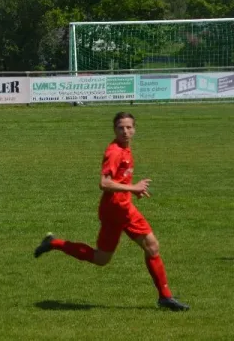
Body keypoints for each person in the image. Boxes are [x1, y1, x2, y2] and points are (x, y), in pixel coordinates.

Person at [34, 112, 189, 312]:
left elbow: (119, 180)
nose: (125, 131)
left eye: (128, 127)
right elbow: (104, 183)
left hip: (123, 207)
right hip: (115, 210)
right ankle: (54, 243)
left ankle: (165, 297)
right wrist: (133, 188)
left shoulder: (126, 148)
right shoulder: (114, 152)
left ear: (134, 129)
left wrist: (132, 190)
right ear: (114, 130)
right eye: (120, 128)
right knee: (109, 257)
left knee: (142, 249)